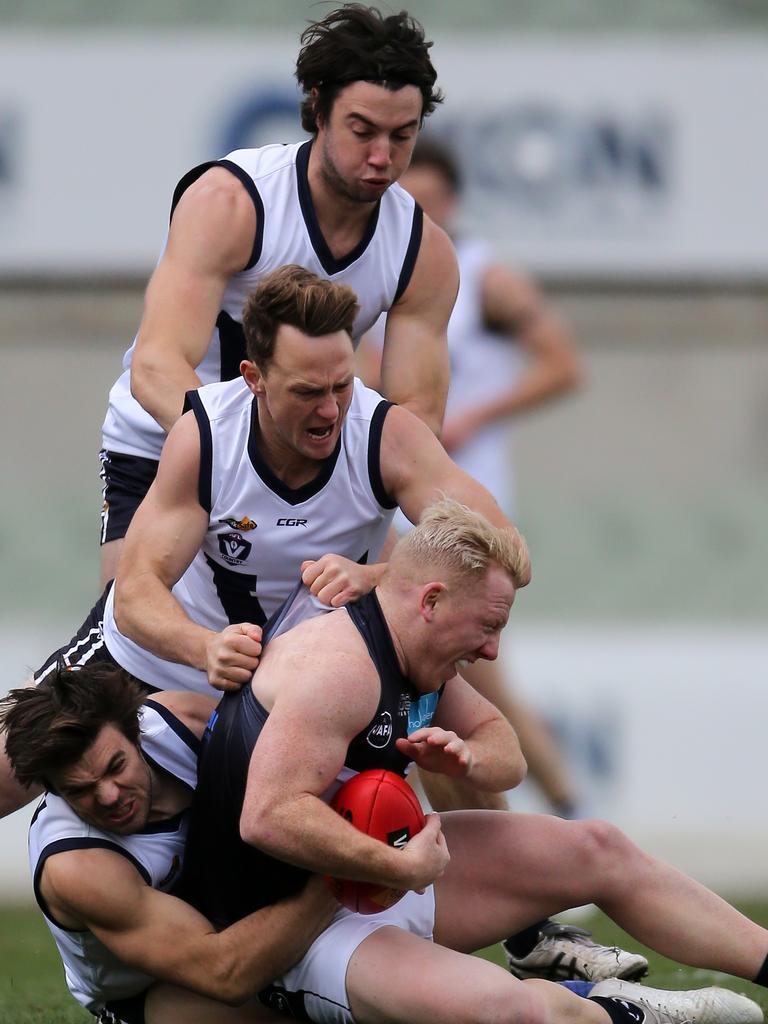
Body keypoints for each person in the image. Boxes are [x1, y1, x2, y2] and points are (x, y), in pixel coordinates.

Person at [0, 266, 646, 983]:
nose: (331, 409)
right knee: (7, 763)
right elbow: (136, 591)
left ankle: (527, 928)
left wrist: (379, 577)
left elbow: (497, 545)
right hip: (175, 651)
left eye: (342, 385)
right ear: (253, 377)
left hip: (299, 665)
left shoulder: (383, 434)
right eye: (308, 391)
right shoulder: (207, 435)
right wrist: (201, 645)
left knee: (432, 719)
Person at [179, 499, 767, 1024]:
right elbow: (267, 815)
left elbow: (503, 750)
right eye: (488, 626)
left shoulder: (412, 653)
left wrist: (468, 759)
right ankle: (626, 1012)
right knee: (517, 1011)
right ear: (431, 600)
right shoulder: (340, 668)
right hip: (295, 933)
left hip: (371, 883)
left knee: (599, 848)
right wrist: (398, 866)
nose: (491, 648)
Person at [98, 4, 458, 586]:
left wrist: (326, 476)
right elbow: (157, 365)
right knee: (129, 649)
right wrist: (242, 459)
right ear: (317, 108)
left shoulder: (425, 252)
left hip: (307, 460)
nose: (381, 158)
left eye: (403, 136)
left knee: (402, 634)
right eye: (362, 130)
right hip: (170, 443)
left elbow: (415, 416)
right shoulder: (232, 203)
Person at [358, 135, 584, 821]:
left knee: (472, 688)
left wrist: (474, 415)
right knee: (424, 684)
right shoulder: (381, 273)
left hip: (462, 509)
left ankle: (567, 826)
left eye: (430, 200)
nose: (418, 212)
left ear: (453, 201)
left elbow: (561, 367)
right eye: (407, 200)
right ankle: (533, 839)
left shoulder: (486, 277)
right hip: (396, 504)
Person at [0, 664, 335, 1024]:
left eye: (116, 766)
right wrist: (342, 874)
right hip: (159, 991)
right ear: (54, 790)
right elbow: (223, 972)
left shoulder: (186, 722)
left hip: (244, 911)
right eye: (79, 790)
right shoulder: (78, 866)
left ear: (136, 734)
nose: (109, 795)